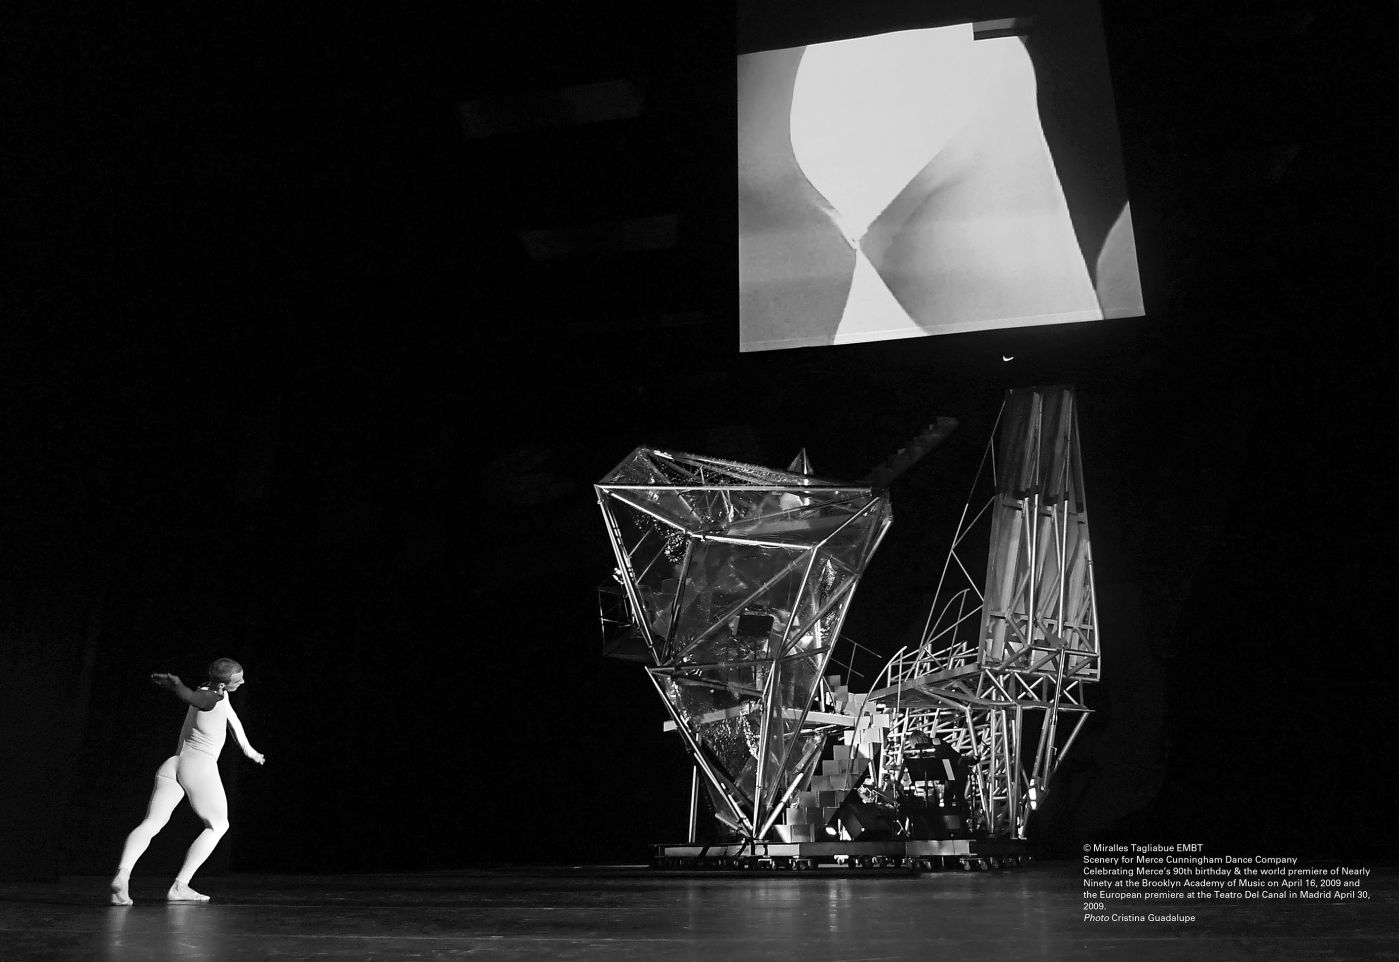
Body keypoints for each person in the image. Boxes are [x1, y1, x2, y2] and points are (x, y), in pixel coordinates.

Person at [109, 658, 265, 905]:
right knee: (218, 826)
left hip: (174, 763)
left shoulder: (217, 693)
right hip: (198, 765)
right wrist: (178, 686)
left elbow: (233, 720)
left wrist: (249, 751)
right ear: (223, 684)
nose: (243, 682)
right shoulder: (209, 697)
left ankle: (123, 874)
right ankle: (180, 885)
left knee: (152, 822)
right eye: (238, 680)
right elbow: (195, 699)